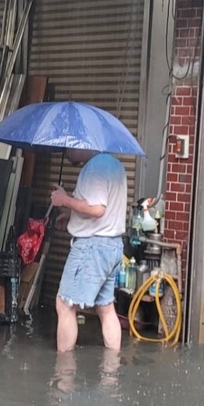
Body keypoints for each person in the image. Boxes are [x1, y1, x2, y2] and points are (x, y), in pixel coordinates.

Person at [50, 148, 128, 353]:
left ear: (82, 145)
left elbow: (97, 209)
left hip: (92, 248)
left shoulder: (95, 167)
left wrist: (64, 200)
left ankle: (63, 375)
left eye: (68, 148)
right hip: (112, 246)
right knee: (106, 307)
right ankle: (112, 370)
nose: (65, 153)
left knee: (65, 304)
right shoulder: (115, 164)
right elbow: (105, 210)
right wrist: (71, 216)